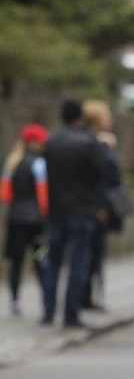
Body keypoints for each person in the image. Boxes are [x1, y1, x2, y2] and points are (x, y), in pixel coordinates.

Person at [42, 99, 110, 329]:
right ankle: (71, 314)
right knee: (78, 264)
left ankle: (48, 311)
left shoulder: (52, 142)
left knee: (53, 261)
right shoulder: (87, 143)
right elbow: (102, 173)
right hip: (82, 211)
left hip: (56, 210)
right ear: (80, 117)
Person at [80, 99, 126, 311]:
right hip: (94, 210)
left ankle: (87, 296)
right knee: (89, 257)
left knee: (91, 257)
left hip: (93, 208)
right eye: (106, 116)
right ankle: (84, 298)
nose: (110, 120)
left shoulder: (97, 143)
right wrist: (101, 207)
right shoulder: (92, 145)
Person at [1, 124, 50, 317]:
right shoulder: (40, 163)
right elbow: (43, 193)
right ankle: (47, 301)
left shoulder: (11, 162)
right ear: (33, 142)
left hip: (15, 219)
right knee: (40, 260)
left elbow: (5, 194)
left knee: (16, 262)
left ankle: (15, 302)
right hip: (36, 221)